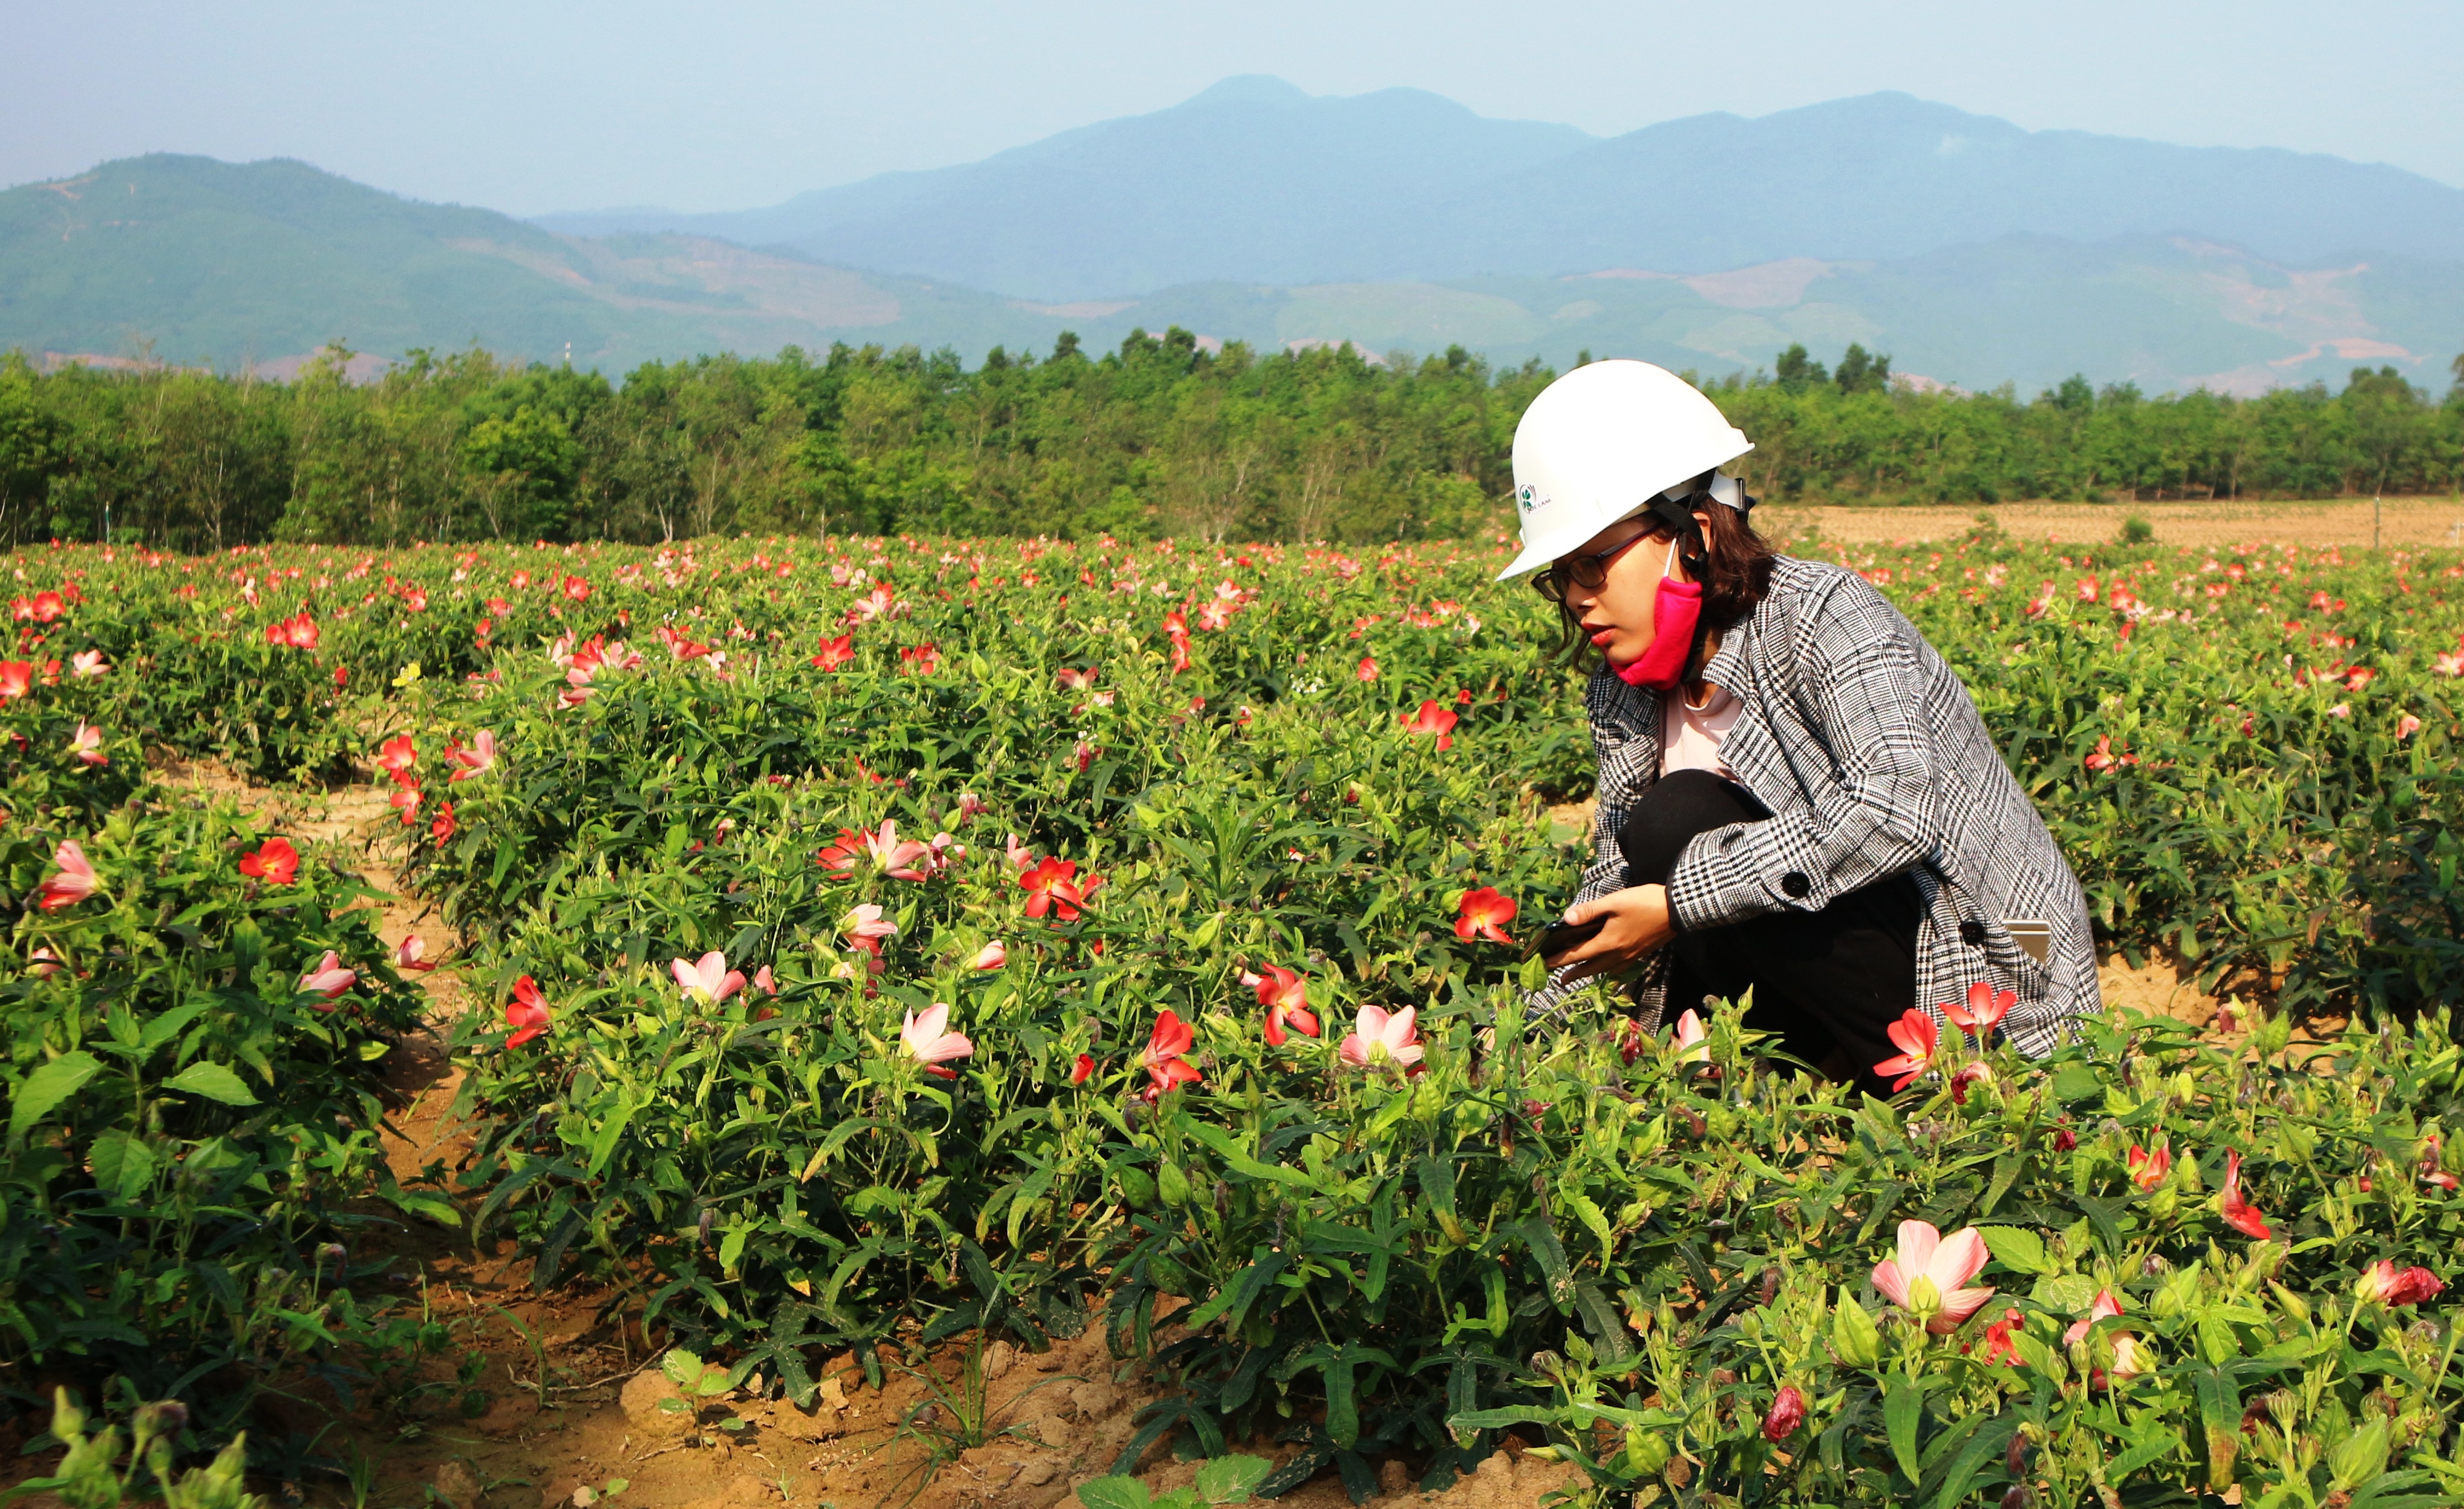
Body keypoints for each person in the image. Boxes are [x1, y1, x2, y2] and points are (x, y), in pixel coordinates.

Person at [1505, 360, 2097, 1093]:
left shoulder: (1824, 614)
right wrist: (1517, 1053)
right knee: (1661, 838)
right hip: (1828, 955)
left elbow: (1898, 806)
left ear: (1689, 534)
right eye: (1558, 577)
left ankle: (1920, 1097)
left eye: (1591, 565)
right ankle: (1770, 1087)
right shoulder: (1625, 691)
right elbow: (1621, 879)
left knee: (1679, 821)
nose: (1577, 599)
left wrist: (1678, 904)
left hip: (1989, 950)